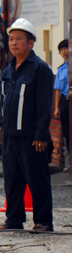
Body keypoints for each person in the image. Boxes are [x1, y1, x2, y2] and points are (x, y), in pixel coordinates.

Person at [0, 18, 54, 232]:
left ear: (31, 43)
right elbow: (5, 102)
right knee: (12, 180)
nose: (14, 43)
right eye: (11, 39)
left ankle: (43, 221)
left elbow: (45, 105)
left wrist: (41, 134)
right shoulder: (8, 70)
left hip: (31, 136)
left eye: (19, 39)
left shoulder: (40, 68)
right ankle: (14, 220)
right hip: (9, 134)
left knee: (38, 180)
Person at [53, 39, 69, 168]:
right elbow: (58, 89)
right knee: (67, 132)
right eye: (61, 50)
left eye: (66, 48)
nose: (64, 52)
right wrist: (57, 107)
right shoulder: (61, 70)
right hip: (65, 101)